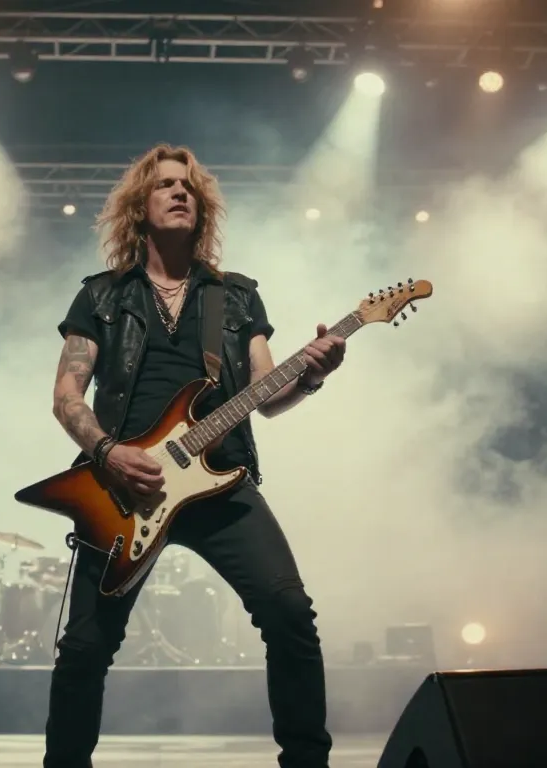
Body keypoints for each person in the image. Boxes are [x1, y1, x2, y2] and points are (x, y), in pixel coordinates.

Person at [44, 144, 344, 767]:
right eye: (165, 185)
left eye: (188, 186)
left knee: (289, 612)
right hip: (124, 489)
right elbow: (67, 395)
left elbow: (268, 396)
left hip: (222, 483)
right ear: (139, 208)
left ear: (202, 208)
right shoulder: (101, 296)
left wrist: (313, 375)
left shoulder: (236, 297)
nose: (180, 192)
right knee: (84, 649)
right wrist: (108, 452)